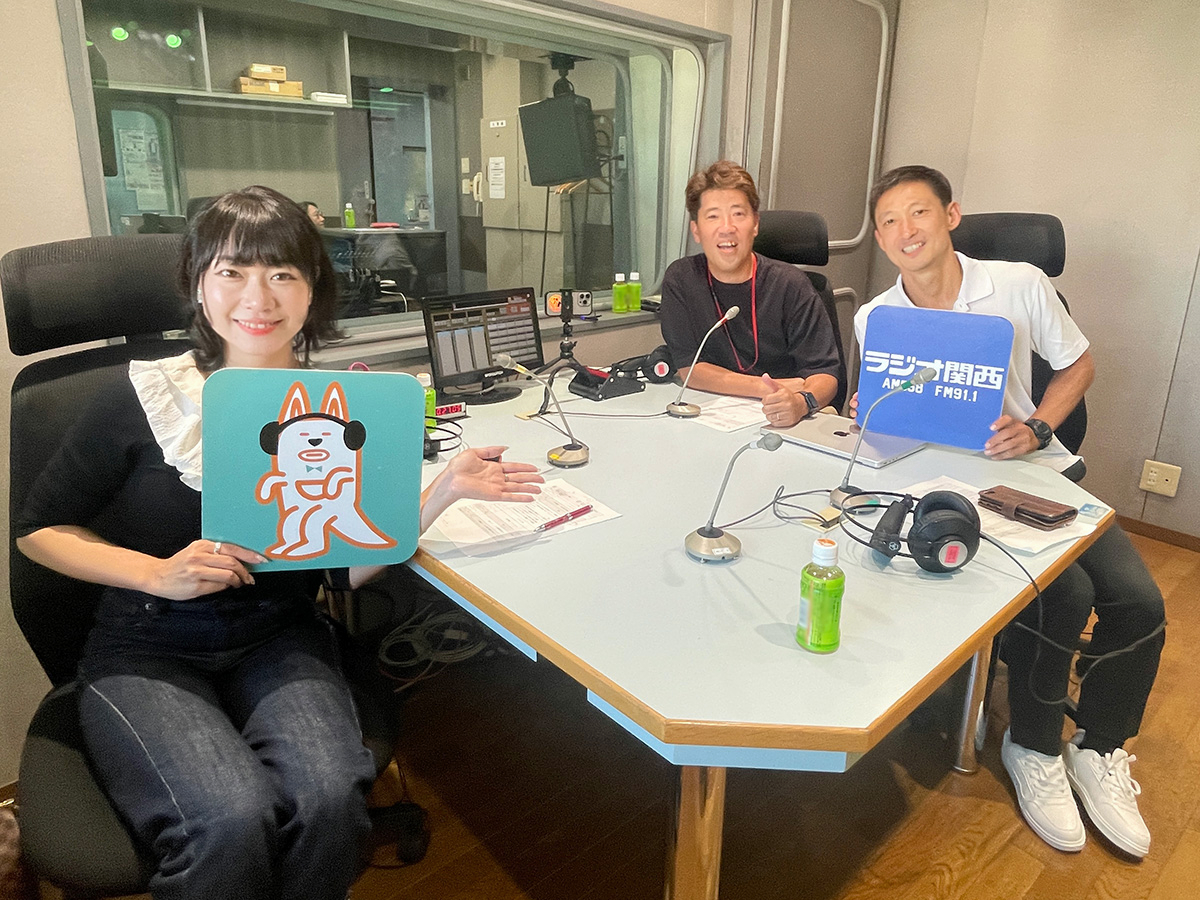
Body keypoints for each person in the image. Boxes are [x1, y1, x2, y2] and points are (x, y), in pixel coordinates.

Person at [14, 185, 544, 900]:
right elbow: (38, 530)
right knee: (228, 817)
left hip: (278, 635)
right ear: (198, 283)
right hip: (147, 643)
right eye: (232, 271)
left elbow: (341, 574)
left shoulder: (336, 409)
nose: (257, 298)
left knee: (329, 797)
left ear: (312, 289)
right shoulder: (143, 397)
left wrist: (442, 490)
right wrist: (154, 573)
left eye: (282, 274)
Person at [854, 165, 1165, 858]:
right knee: (1064, 592)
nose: (906, 231)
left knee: (1139, 601)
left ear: (951, 215)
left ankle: (1099, 748)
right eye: (889, 222)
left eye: (919, 212)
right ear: (878, 237)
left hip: (1032, 475)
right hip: (937, 483)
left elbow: (1079, 364)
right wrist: (871, 408)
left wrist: (1039, 426)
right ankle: (1033, 746)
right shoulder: (876, 317)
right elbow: (891, 411)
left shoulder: (1019, 284)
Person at [659, 160, 842, 427]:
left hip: (787, 420)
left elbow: (825, 375)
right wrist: (766, 387)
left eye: (738, 214)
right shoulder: (682, 279)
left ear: (755, 224)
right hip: (712, 415)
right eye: (713, 216)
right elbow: (690, 369)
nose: (727, 227)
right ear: (696, 230)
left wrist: (800, 402)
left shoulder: (792, 285)